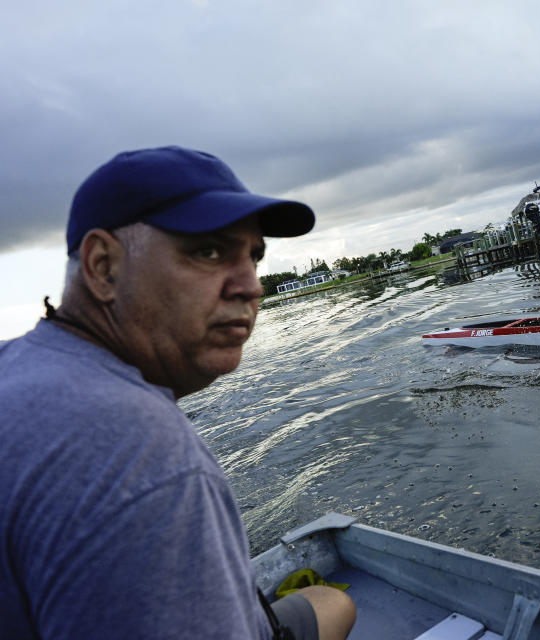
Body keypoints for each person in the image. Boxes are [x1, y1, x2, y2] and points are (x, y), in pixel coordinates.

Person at [0, 146, 356, 640]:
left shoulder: (16, 365)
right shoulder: (138, 448)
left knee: (325, 602)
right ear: (103, 267)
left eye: (253, 256)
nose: (252, 286)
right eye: (208, 251)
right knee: (337, 602)